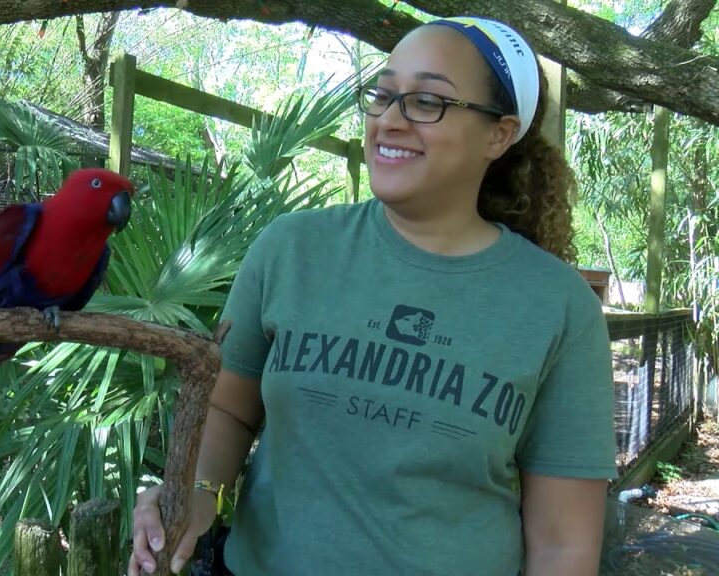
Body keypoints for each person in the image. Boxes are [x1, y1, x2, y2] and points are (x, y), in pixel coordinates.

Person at [129, 15, 617, 576]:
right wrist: (198, 490)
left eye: (428, 101)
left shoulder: (557, 305)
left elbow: (562, 545)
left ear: (498, 135)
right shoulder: (292, 249)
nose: (390, 119)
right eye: (383, 95)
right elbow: (229, 407)